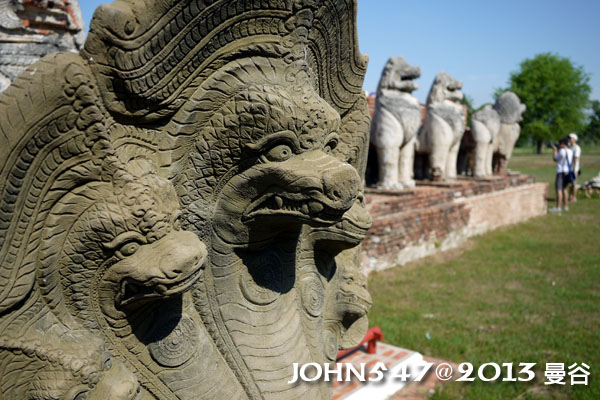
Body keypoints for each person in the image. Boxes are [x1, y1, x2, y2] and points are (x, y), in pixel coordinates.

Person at [550, 138, 573, 212]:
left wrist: (555, 150)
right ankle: (565, 206)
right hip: (568, 172)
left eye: (560, 143)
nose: (559, 145)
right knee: (564, 189)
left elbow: (555, 159)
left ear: (563, 143)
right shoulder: (570, 151)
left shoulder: (562, 151)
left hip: (561, 172)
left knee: (559, 189)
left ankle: (558, 207)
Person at [568, 133, 581, 202]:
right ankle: (570, 197)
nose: (569, 139)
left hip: (574, 168)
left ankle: (574, 197)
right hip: (569, 168)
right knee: (570, 184)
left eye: (571, 138)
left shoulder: (577, 148)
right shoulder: (569, 147)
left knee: (574, 183)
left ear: (575, 139)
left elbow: (576, 159)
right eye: (569, 138)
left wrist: (574, 169)